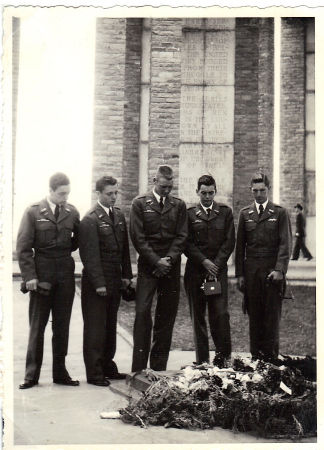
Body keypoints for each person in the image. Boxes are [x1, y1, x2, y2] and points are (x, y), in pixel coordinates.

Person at [17, 172, 80, 389]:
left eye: (68, 193)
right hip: (41, 276)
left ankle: (60, 373)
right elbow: (23, 248)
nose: (65, 197)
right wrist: (30, 276)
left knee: (62, 326)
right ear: (51, 191)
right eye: (61, 193)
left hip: (65, 275)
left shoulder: (72, 213)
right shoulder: (33, 212)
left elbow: (75, 242)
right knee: (38, 326)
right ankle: (31, 375)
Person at [130, 165, 187, 372]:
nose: (166, 191)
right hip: (148, 268)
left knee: (166, 317)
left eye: (170, 187)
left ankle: (158, 368)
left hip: (170, 269)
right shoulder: (139, 203)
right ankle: (138, 368)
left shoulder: (178, 205)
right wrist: (156, 261)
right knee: (142, 313)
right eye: (163, 186)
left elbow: (182, 236)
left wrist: (168, 260)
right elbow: (138, 237)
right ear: (155, 181)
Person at [79, 176, 133, 386]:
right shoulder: (90, 219)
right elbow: (89, 256)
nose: (113, 197)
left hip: (114, 280)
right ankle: (94, 372)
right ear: (98, 194)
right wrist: (99, 283)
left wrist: (126, 276)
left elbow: (125, 251)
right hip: (96, 284)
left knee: (110, 325)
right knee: (95, 328)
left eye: (115, 193)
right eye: (109, 193)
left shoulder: (118, 216)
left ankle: (108, 366)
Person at [235, 172, 292, 361]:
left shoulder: (279, 213)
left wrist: (279, 270)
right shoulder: (245, 214)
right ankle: (256, 358)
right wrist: (240, 275)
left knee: (271, 318)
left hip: (271, 273)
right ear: (250, 190)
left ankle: (271, 359)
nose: (259, 194)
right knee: (255, 317)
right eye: (255, 190)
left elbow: (285, 244)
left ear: (268, 190)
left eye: (262, 190)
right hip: (251, 274)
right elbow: (240, 245)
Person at [184, 175, 235, 367]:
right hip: (195, 273)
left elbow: (229, 242)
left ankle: (223, 358)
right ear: (197, 192)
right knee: (198, 316)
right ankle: (202, 360)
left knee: (220, 314)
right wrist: (204, 262)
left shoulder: (225, 212)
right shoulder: (189, 214)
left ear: (216, 191)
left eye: (211, 192)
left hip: (216, 273)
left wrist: (215, 265)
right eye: (203, 193)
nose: (207, 197)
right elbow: (186, 242)